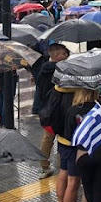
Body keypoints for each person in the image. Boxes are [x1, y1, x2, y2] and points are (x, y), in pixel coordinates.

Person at [34, 43, 69, 179]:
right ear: (56, 56)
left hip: (48, 110)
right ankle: (64, 167)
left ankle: (44, 167)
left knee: (47, 139)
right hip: (61, 109)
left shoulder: (43, 69)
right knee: (64, 137)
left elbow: (40, 90)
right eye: (63, 54)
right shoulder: (61, 70)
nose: (66, 56)